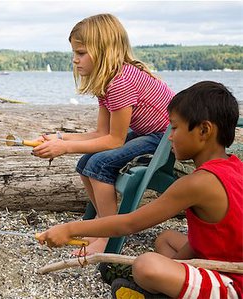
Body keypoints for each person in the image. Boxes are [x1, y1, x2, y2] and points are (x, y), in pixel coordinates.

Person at [38, 81, 242, 298]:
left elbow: (129, 223)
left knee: (146, 266)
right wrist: (176, 268)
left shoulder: (198, 182)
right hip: (222, 259)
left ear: (203, 130)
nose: (170, 136)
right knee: (166, 239)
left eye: (174, 127)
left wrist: (69, 229)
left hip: (233, 283)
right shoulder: (234, 166)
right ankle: (173, 287)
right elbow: (201, 239)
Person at [32, 13, 175, 255]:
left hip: (165, 139)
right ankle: (100, 221)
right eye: (74, 53)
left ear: (104, 51)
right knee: (85, 163)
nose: (74, 60)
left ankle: (108, 235)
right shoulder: (107, 82)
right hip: (148, 133)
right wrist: (61, 138)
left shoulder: (120, 82)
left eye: (81, 53)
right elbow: (101, 132)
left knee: (99, 164)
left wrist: (64, 148)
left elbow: (114, 140)